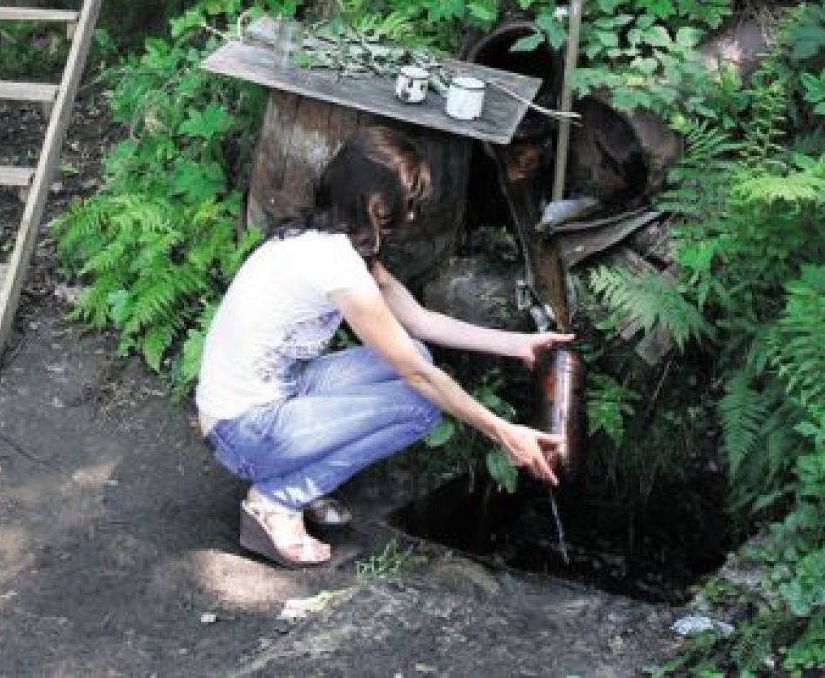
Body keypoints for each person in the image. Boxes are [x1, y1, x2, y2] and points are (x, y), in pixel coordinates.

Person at [195, 126, 575, 568]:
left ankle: (291, 474)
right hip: (242, 430)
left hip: (273, 393)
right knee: (420, 403)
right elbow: (418, 377)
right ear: (377, 206)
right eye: (408, 203)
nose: (412, 216)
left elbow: (418, 321)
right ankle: (278, 498)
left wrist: (519, 344)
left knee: (418, 355)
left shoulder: (329, 241)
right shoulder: (339, 270)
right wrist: (501, 431)